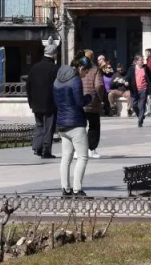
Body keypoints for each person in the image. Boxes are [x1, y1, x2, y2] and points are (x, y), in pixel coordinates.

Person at [54, 56, 91, 197]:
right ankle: (77, 189)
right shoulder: (75, 80)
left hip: (62, 123)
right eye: (85, 72)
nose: (85, 75)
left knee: (66, 157)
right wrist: (89, 97)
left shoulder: (58, 79)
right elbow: (79, 102)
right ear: (81, 68)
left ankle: (65, 189)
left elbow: (57, 101)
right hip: (75, 123)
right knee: (82, 157)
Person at [27, 43, 60, 158]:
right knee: (49, 127)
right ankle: (46, 150)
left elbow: (28, 86)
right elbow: (58, 87)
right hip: (50, 103)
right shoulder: (55, 69)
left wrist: (30, 102)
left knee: (39, 125)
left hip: (36, 103)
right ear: (54, 54)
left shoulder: (34, 68)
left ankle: (37, 147)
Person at [79, 52, 105, 159]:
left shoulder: (78, 68)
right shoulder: (95, 69)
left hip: (80, 102)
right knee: (94, 126)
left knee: (80, 127)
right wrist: (100, 98)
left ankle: (79, 150)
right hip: (92, 102)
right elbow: (99, 86)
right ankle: (91, 149)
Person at [127, 54, 151, 127]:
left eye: (143, 60)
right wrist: (126, 81)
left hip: (143, 89)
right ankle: (140, 115)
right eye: (141, 60)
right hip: (134, 90)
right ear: (136, 61)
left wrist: (150, 89)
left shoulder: (145, 68)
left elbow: (149, 79)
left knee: (141, 105)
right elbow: (128, 77)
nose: (142, 61)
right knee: (134, 104)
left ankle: (140, 120)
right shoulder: (132, 69)